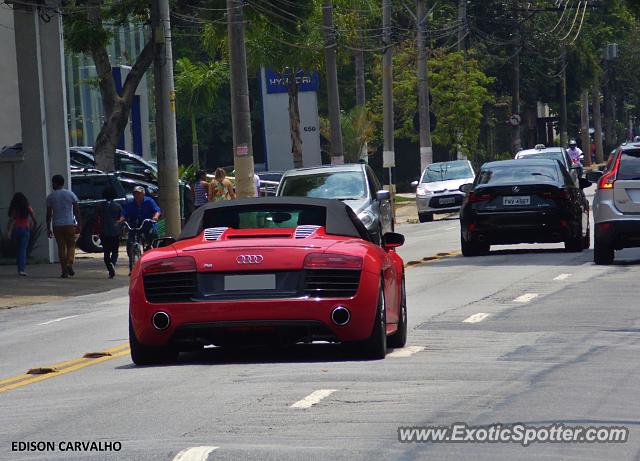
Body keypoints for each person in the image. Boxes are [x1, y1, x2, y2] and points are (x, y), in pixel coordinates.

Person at [46, 174, 81, 278]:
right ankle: (69, 263)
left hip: (57, 224)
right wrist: (79, 223)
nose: (52, 184)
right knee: (71, 245)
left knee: (61, 247)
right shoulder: (70, 194)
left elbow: (48, 214)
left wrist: (48, 227)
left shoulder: (51, 197)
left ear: (56, 183)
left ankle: (64, 271)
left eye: (53, 182)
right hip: (68, 223)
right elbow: (77, 211)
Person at [123, 186, 161, 273]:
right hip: (135, 225)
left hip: (147, 223)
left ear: (143, 194)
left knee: (153, 235)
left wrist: (155, 217)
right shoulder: (131, 203)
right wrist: (121, 220)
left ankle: (153, 253)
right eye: (135, 193)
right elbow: (125, 213)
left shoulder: (149, 201)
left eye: (139, 193)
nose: (137, 195)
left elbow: (157, 210)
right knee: (130, 242)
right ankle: (131, 263)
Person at [6, 193, 37, 276]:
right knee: (22, 250)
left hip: (16, 230)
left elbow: (12, 220)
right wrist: (33, 225)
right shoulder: (28, 207)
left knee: (18, 249)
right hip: (25, 230)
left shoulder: (15, 209)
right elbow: (33, 218)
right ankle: (21, 269)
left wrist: (8, 231)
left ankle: (19, 265)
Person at [98, 186, 123, 279]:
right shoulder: (117, 206)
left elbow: (98, 218)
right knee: (115, 251)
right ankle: (113, 263)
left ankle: (109, 266)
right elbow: (121, 218)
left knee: (106, 251)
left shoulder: (100, 206)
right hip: (115, 231)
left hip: (104, 231)